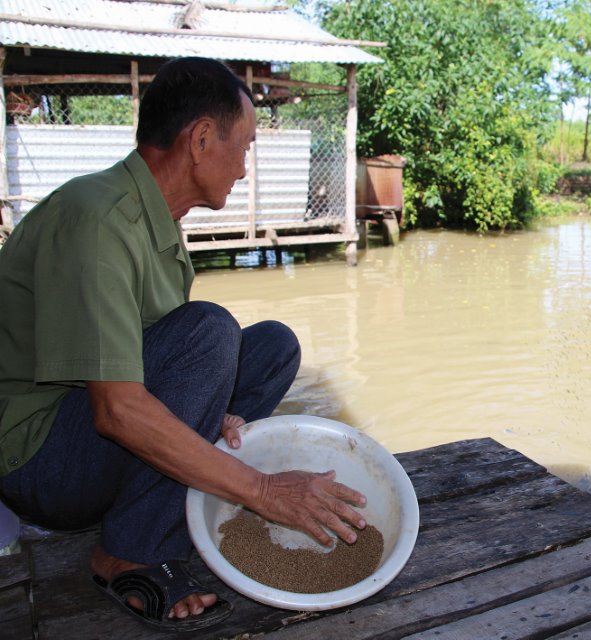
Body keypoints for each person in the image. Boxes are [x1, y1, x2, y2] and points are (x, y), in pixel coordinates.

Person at [0, 57, 367, 630]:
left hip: (96, 428)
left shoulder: (157, 225)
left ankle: (176, 487)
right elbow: (116, 410)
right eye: (242, 148)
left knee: (273, 346)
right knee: (209, 331)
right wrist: (265, 491)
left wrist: (208, 406)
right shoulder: (97, 220)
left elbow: (156, 360)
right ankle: (128, 550)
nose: (244, 170)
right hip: (39, 458)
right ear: (200, 140)